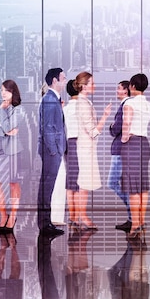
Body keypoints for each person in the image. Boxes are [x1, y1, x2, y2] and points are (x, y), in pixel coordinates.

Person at [0, 79, 26, 242]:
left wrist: (2, 114)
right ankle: (3, 215)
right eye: (1, 90)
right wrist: (4, 132)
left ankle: (13, 217)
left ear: (13, 92)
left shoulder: (18, 109)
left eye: (6, 90)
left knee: (13, 183)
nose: (3, 93)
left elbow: (8, 126)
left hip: (12, 151)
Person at [74, 71, 112, 230]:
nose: (94, 86)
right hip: (85, 149)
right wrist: (105, 116)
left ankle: (77, 217)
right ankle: (81, 216)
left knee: (84, 184)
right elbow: (93, 131)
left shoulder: (84, 102)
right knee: (84, 185)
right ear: (83, 86)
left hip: (86, 148)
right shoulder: (82, 104)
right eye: (92, 83)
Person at [121, 73, 150, 238]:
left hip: (132, 143)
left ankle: (134, 225)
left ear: (132, 86)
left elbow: (126, 122)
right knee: (142, 185)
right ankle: (141, 221)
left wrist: (124, 137)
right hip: (144, 144)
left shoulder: (130, 103)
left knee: (133, 187)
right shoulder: (148, 105)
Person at [38, 67, 67, 239]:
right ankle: (44, 223)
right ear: (54, 81)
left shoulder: (52, 99)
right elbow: (48, 128)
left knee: (47, 187)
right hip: (51, 151)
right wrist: (54, 151)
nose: (65, 81)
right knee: (46, 187)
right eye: (63, 78)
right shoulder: (49, 100)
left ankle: (45, 222)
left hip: (53, 150)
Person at [108, 80, 133, 231]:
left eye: (119, 88)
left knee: (112, 182)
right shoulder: (129, 104)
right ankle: (131, 217)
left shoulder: (125, 106)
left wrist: (111, 127)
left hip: (121, 151)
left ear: (125, 90)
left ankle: (133, 214)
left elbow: (116, 128)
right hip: (125, 151)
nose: (117, 91)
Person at [63, 79, 80, 226]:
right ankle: (76, 217)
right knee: (80, 182)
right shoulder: (85, 106)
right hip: (81, 144)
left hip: (69, 143)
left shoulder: (65, 108)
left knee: (71, 181)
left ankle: (72, 216)